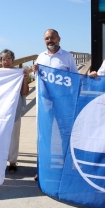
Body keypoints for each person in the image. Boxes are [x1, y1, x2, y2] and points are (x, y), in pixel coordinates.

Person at [32, 29, 78, 181]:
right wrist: (34, 71)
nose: (49, 41)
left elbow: (75, 78)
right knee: (45, 136)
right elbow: (37, 78)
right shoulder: (41, 57)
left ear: (59, 38)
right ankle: (44, 169)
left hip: (63, 103)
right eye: (46, 38)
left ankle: (67, 167)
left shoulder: (67, 57)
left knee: (64, 135)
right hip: (45, 104)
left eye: (52, 37)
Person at [0, 49, 29, 173]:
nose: (6, 61)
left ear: (13, 60)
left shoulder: (18, 73)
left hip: (14, 110)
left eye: (9, 59)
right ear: (0, 61)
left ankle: (12, 161)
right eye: (4, 59)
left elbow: (25, 92)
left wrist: (25, 78)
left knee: (14, 137)